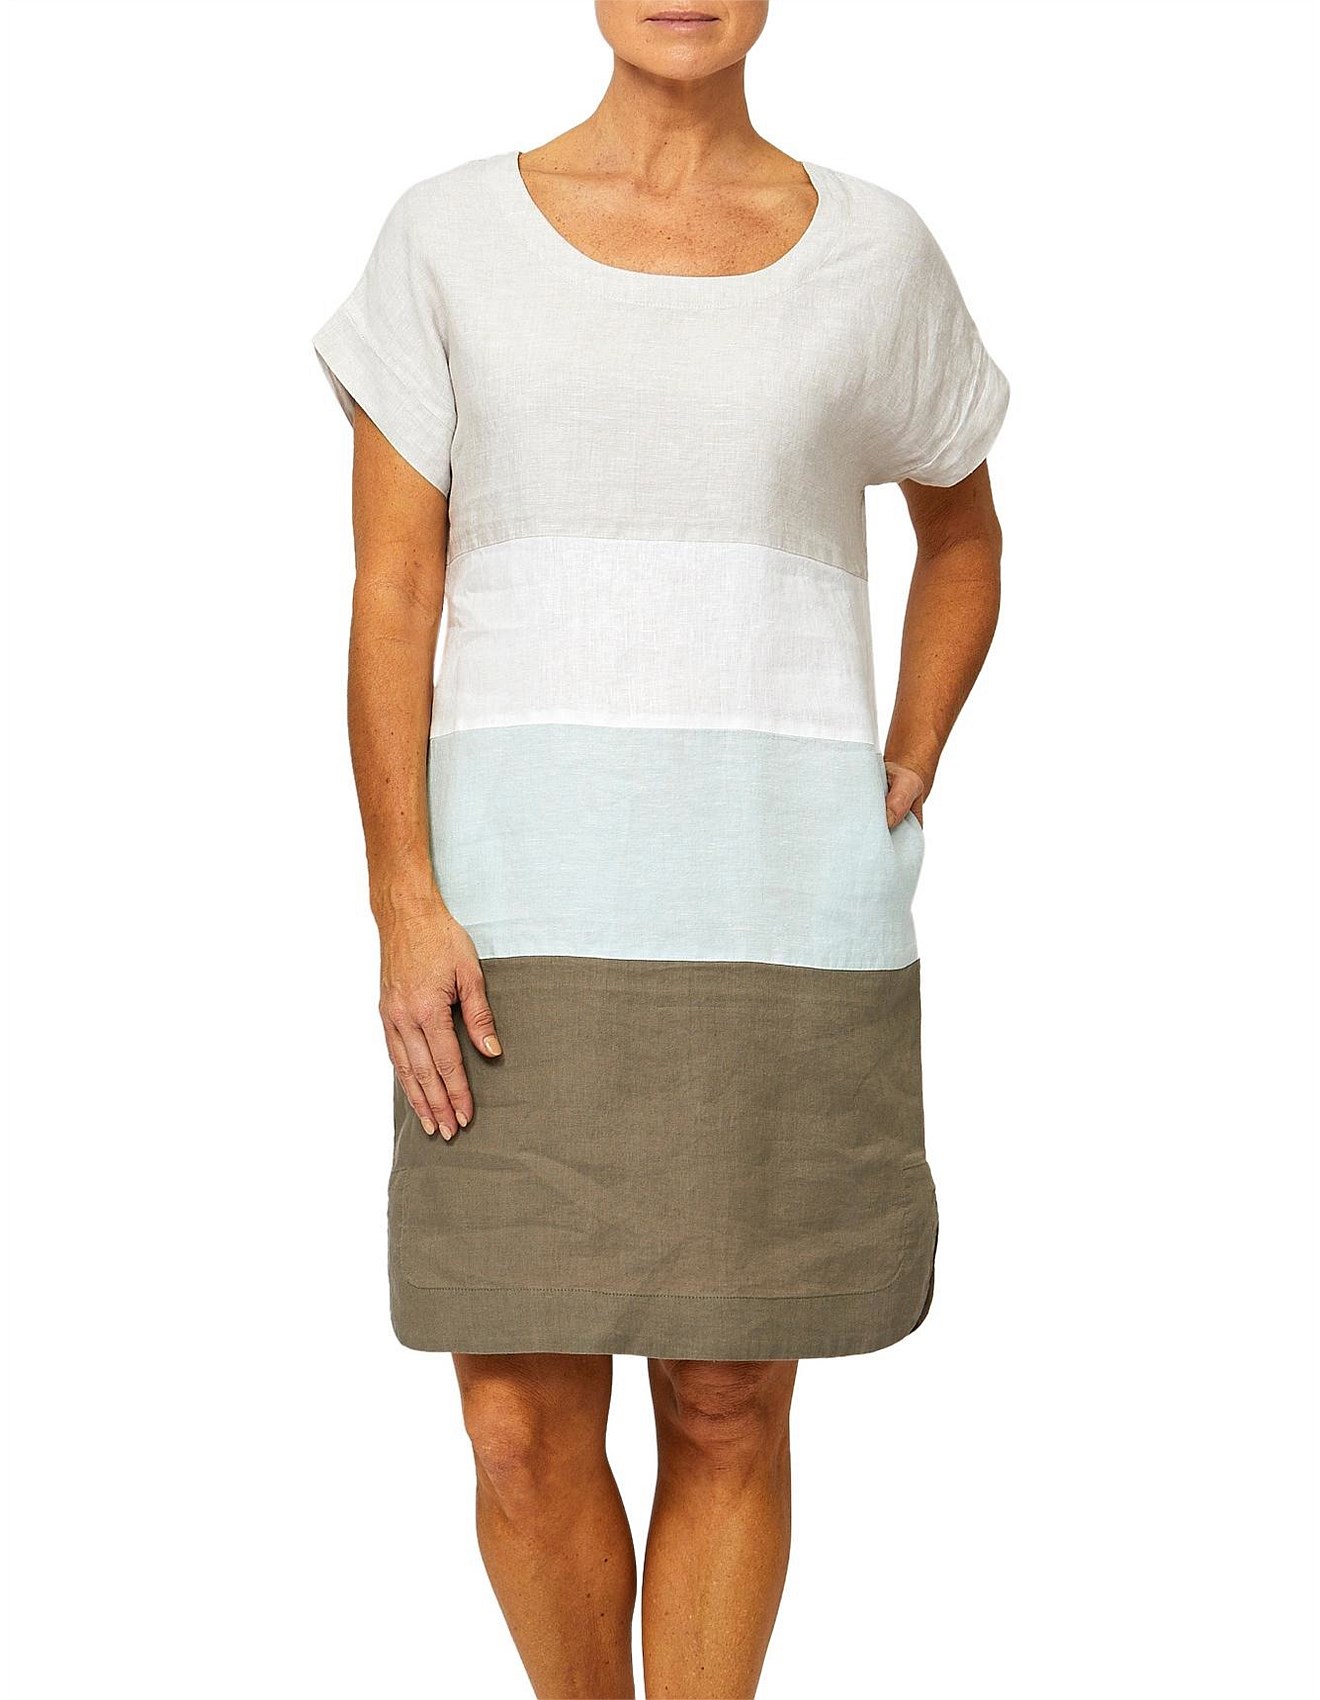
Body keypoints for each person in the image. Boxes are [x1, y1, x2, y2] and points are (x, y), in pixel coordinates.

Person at [311, 3, 1008, 1694]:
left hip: (777, 915)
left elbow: (966, 529)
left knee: (728, 1395)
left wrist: (907, 755)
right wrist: (402, 896)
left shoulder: (876, 253)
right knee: (515, 1430)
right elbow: (395, 589)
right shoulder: (446, 237)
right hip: (510, 931)